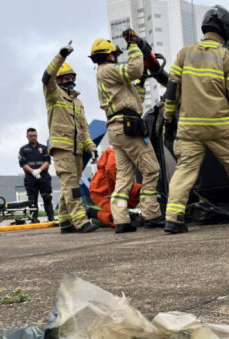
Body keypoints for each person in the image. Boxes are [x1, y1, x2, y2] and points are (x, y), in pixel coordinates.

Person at [162, 5, 229, 234]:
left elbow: (172, 89)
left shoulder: (185, 53)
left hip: (189, 129)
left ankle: (173, 218)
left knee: (184, 171)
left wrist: (168, 120)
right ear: (227, 31)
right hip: (219, 127)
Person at [91, 32, 165, 233]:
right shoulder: (107, 70)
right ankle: (151, 214)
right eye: (114, 54)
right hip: (127, 126)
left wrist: (140, 83)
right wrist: (134, 45)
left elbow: (134, 98)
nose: (115, 57)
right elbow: (134, 69)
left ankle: (121, 220)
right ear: (109, 55)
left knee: (124, 176)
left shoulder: (106, 75)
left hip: (118, 128)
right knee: (151, 169)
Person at [42, 41, 98, 234]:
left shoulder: (78, 102)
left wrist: (91, 147)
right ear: (58, 80)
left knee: (69, 185)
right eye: (64, 78)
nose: (68, 80)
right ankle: (80, 220)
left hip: (77, 150)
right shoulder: (53, 95)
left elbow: (84, 129)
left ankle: (65, 221)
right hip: (62, 149)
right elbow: (46, 77)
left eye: (71, 77)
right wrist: (62, 55)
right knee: (72, 185)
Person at [88, 146, 142, 227]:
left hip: (109, 187)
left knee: (141, 191)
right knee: (117, 217)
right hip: (100, 191)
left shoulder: (122, 150)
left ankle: (134, 215)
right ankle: (93, 215)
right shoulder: (116, 151)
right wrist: (116, 191)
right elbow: (111, 170)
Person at [18, 127, 55, 222]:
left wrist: (39, 170)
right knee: (32, 200)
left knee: (47, 198)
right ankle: (34, 219)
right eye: (30, 136)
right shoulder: (23, 149)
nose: (33, 137)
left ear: (37, 136)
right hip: (30, 178)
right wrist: (33, 172)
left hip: (43, 177)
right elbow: (23, 163)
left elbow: (47, 161)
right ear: (27, 136)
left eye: (34, 136)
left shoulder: (43, 148)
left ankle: (51, 218)